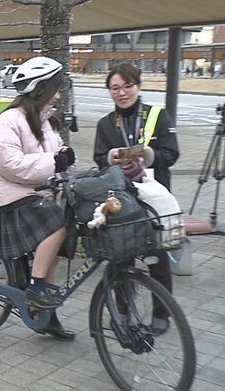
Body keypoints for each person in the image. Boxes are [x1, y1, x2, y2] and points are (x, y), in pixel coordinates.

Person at [0, 56, 76, 340]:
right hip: (12, 201)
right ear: (41, 89)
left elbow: (54, 155)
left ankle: (48, 318)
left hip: (37, 195)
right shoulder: (7, 122)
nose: (58, 95)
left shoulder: (46, 121)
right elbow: (10, 165)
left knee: (56, 254)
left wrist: (65, 158)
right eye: (55, 89)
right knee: (58, 223)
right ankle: (36, 287)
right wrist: (53, 162)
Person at [93, 62, 179, 333]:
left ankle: (161, 314)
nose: (121, 93)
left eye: (127, 86)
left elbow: (172, 153)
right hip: (121, 199)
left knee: (157, 256)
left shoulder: (158, 115)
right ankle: (122, 310)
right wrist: (111, 158)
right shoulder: (106, 124)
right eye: (114, 88)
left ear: (138, 86)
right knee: (120, 256)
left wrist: (149, 156)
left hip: (154, 197)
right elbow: (98, 158)